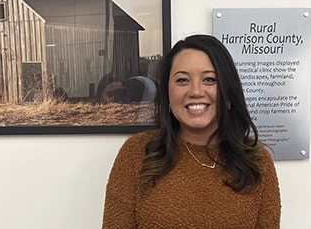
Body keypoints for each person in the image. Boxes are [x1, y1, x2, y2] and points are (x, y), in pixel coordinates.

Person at [102, 34, 281, 228]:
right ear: (167, 92)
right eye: (182, 80)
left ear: (228, 89)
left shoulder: (256, 160)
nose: (196, 91)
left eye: (209, 79)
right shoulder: (137, 153)